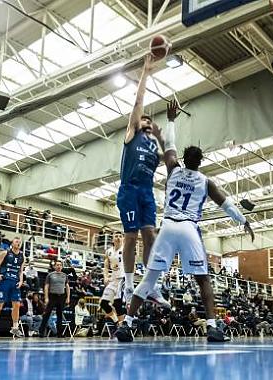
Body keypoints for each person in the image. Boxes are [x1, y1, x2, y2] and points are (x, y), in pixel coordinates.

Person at [116, 104, 255, 343]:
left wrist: (171, 120)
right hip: (189, 229)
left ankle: (126, 324)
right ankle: (212, 327)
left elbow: (169, 146)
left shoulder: (173, 170)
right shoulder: (205, 181)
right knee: (203, 280)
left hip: (168, 227)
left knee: (149, 278)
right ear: (200, 162)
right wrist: (244, 221)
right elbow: (228, 205)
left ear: (185, 159)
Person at [116, 54, 169, 307]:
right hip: (129, 191)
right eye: (144, 121)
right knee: (130, 237)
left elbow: (171, 158)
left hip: (147, 194)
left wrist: (166, 129)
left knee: (151, 236)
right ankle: (127, 285)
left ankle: (149, 285)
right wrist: (145, 73)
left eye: (149, 123)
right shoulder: (131, 134)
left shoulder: (154, 150)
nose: (146, 123)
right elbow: (138, 102)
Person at [0, 237, 25, 339]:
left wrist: (21, 281)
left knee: (17, 304)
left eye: (20, 242)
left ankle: (15, 328)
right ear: (12, 243)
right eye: (17, 241)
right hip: (5, 281)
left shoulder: (22, 256)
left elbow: (21, 271)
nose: (19, 243)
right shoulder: (5, 253)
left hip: (15, 282)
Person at [38, 260, 70, 337]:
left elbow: (67, 286)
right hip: (52, 296)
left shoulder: (64, 275)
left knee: (59, 315)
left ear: (62, 267)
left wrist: (68, 297)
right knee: (47, 314)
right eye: (57, 265)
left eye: (60, 265)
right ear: (54, 266)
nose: (59, 266)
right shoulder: (50, 275)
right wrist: (46, 297)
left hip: (61, 297)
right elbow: (46, 286)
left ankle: (59, 333)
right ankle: (41, 332)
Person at [100, 232, 126, 325]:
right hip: (113, 279)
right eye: (116, 236)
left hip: (122, 278)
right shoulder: (109, 251)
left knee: (117, 304)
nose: (118, 238)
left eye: (120, 236)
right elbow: (106, 267)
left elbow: (133, 264)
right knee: (103, 303)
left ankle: (122, 327)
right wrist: (105, 276)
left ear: (123, 239)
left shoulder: (126, 249)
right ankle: (116, 322)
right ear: (113, 239)